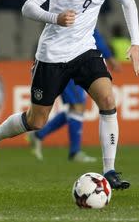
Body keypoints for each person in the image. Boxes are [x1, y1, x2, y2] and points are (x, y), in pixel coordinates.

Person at [0, 0, 139, 191]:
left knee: (108, 99)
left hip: (85, 50)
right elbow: (27, 7)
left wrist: (136, 43)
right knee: (36, 120)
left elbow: (129, 2)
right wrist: (55, 17)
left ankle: (109, 170)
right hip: (52, 55)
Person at [29, 29, 121, 162]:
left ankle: (40, 135)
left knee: (76, 108)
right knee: (77, 106)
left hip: (71, 59)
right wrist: (109, 57)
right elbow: (93, 33)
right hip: (64, 61)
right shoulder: (80, 12)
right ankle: (74, 151)